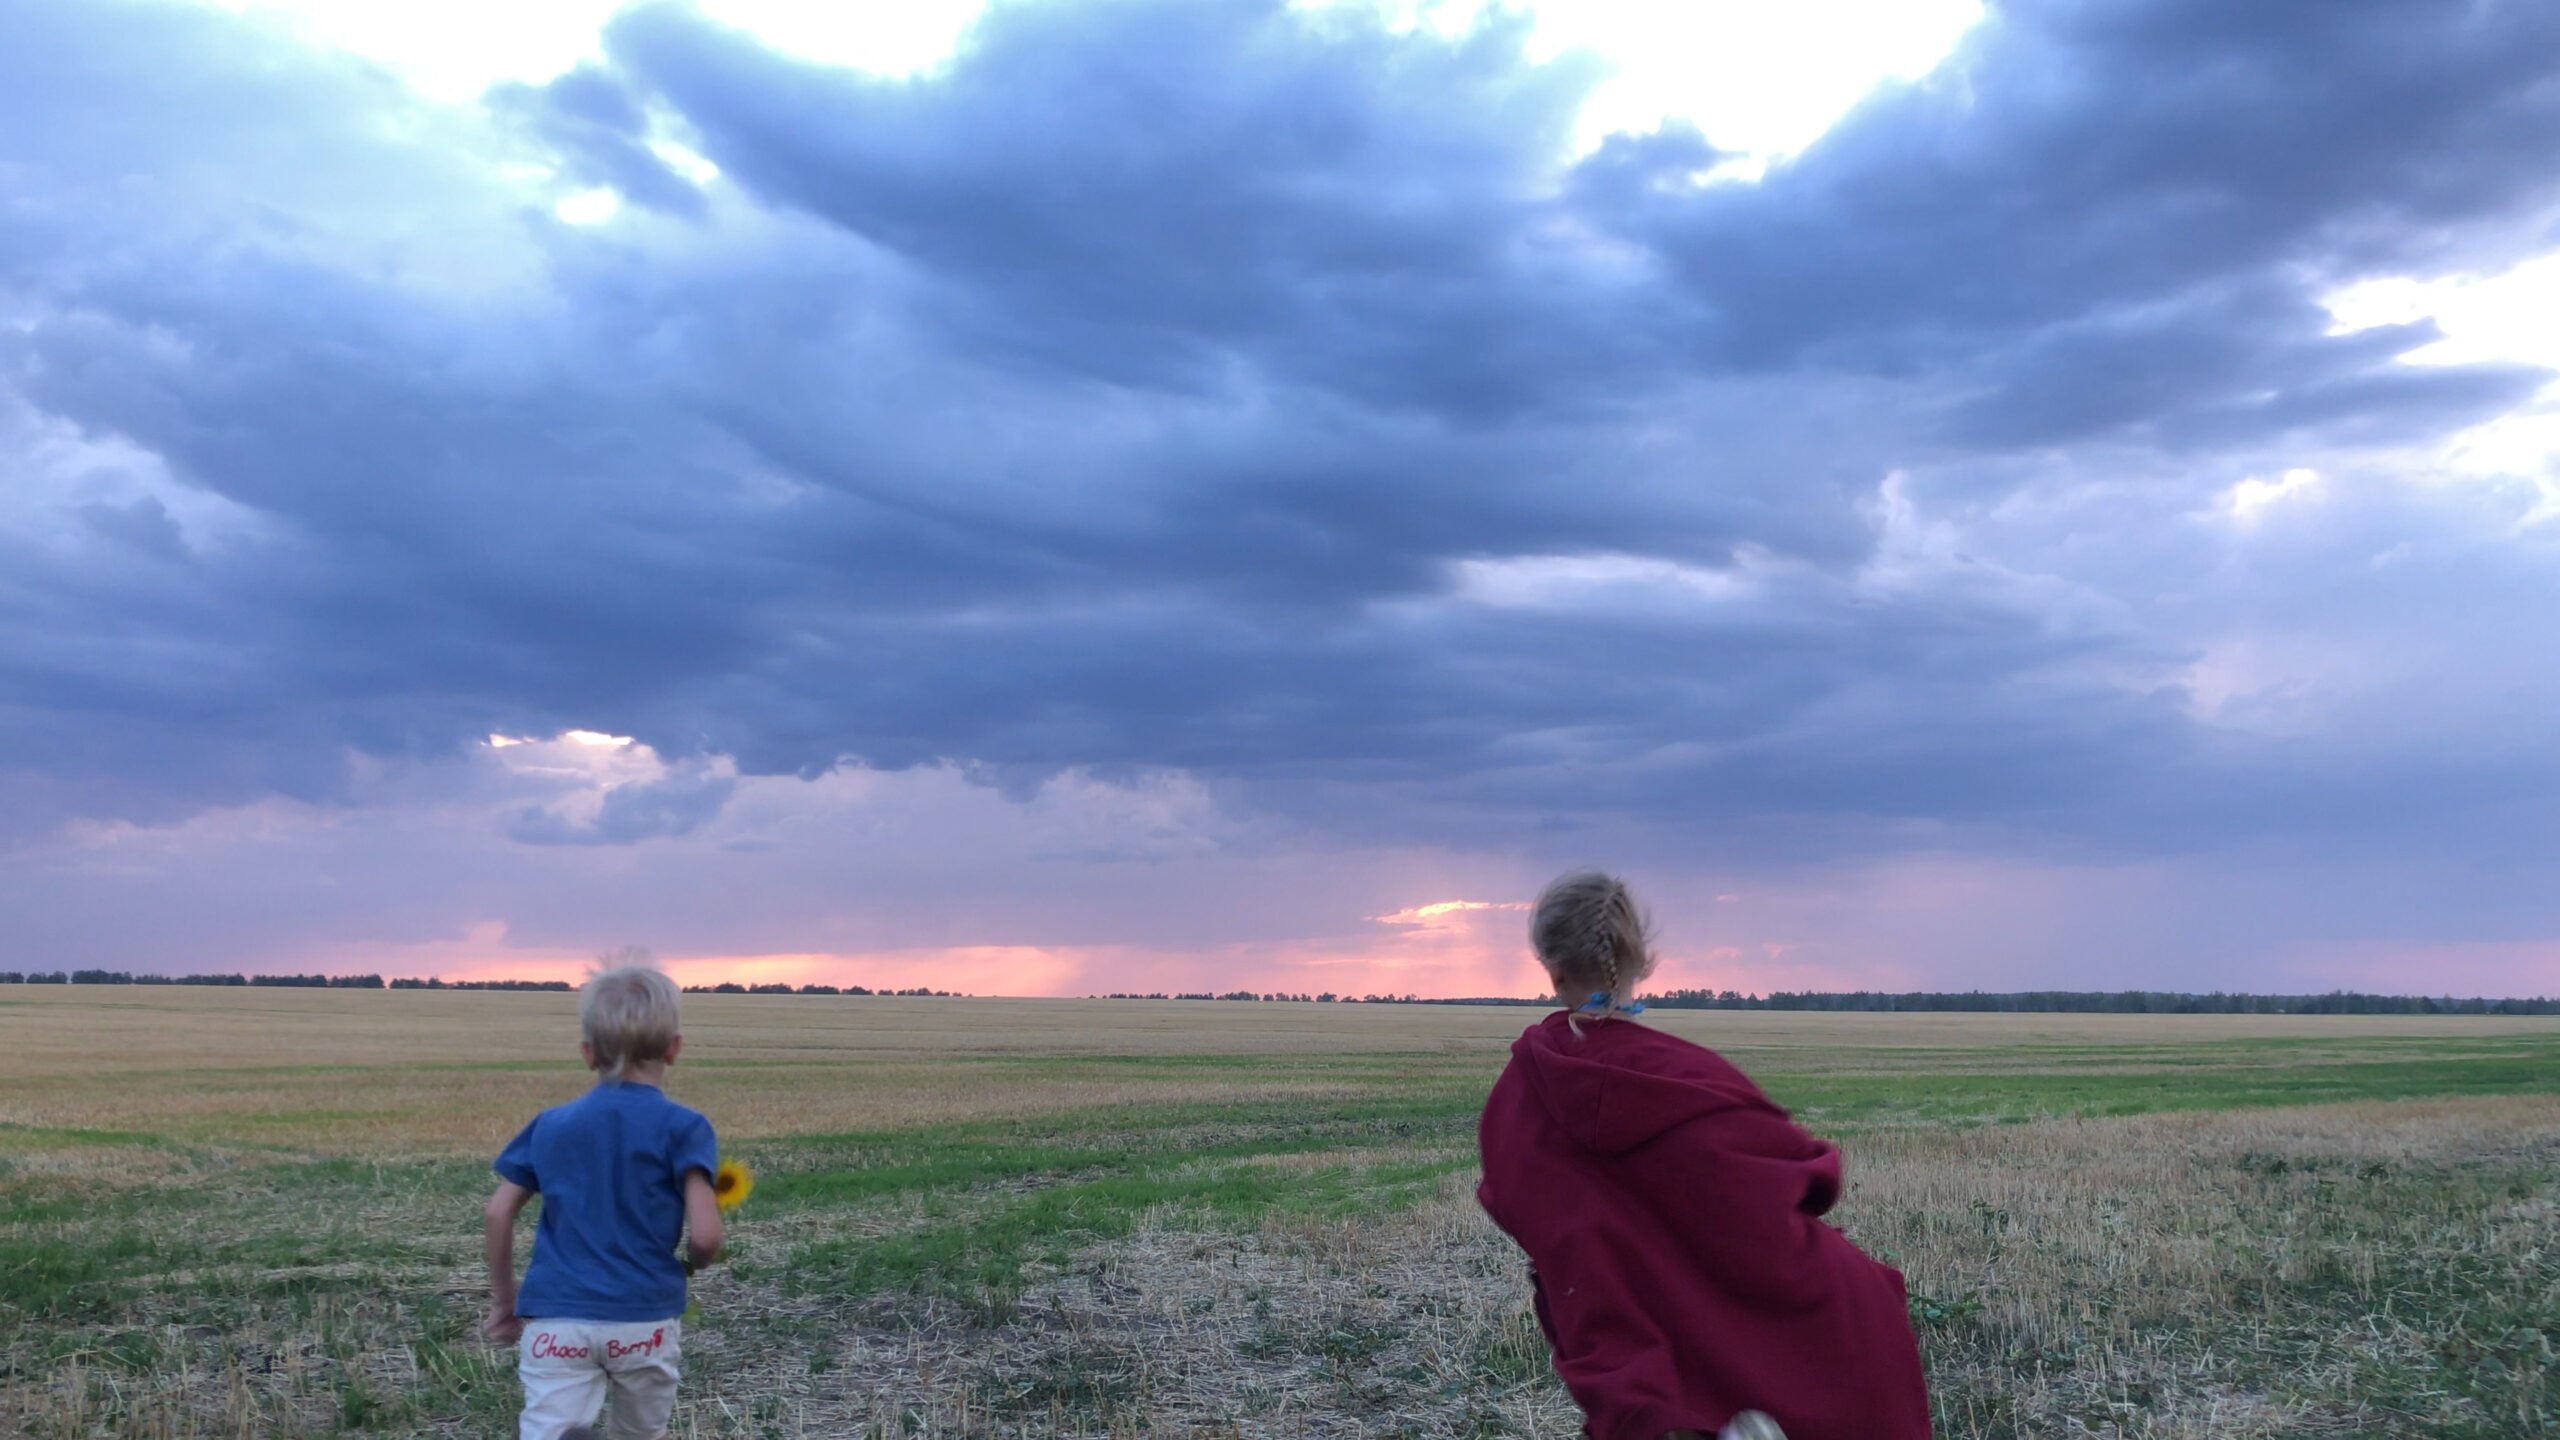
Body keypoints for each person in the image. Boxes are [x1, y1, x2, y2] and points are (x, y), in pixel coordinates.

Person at [1475, 872, 1932, 1440]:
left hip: (1629, 1349)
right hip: (1785, 1316)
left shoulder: (1518, 1093)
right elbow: (1796, 1181)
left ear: (1552, 967)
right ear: (1642, 958)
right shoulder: (1692, 1076)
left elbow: (1526, 1210)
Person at [483, 965, 724, 1440]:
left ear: (588, 1054)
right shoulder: (685, 1128)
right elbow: (706, 1236)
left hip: (557, 1322)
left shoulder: (550, 1124)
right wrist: (691, 1264)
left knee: (547, 1430)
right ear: (674, 1048)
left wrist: (505, 1300)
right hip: (644, 1322)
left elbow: (497, 1213)